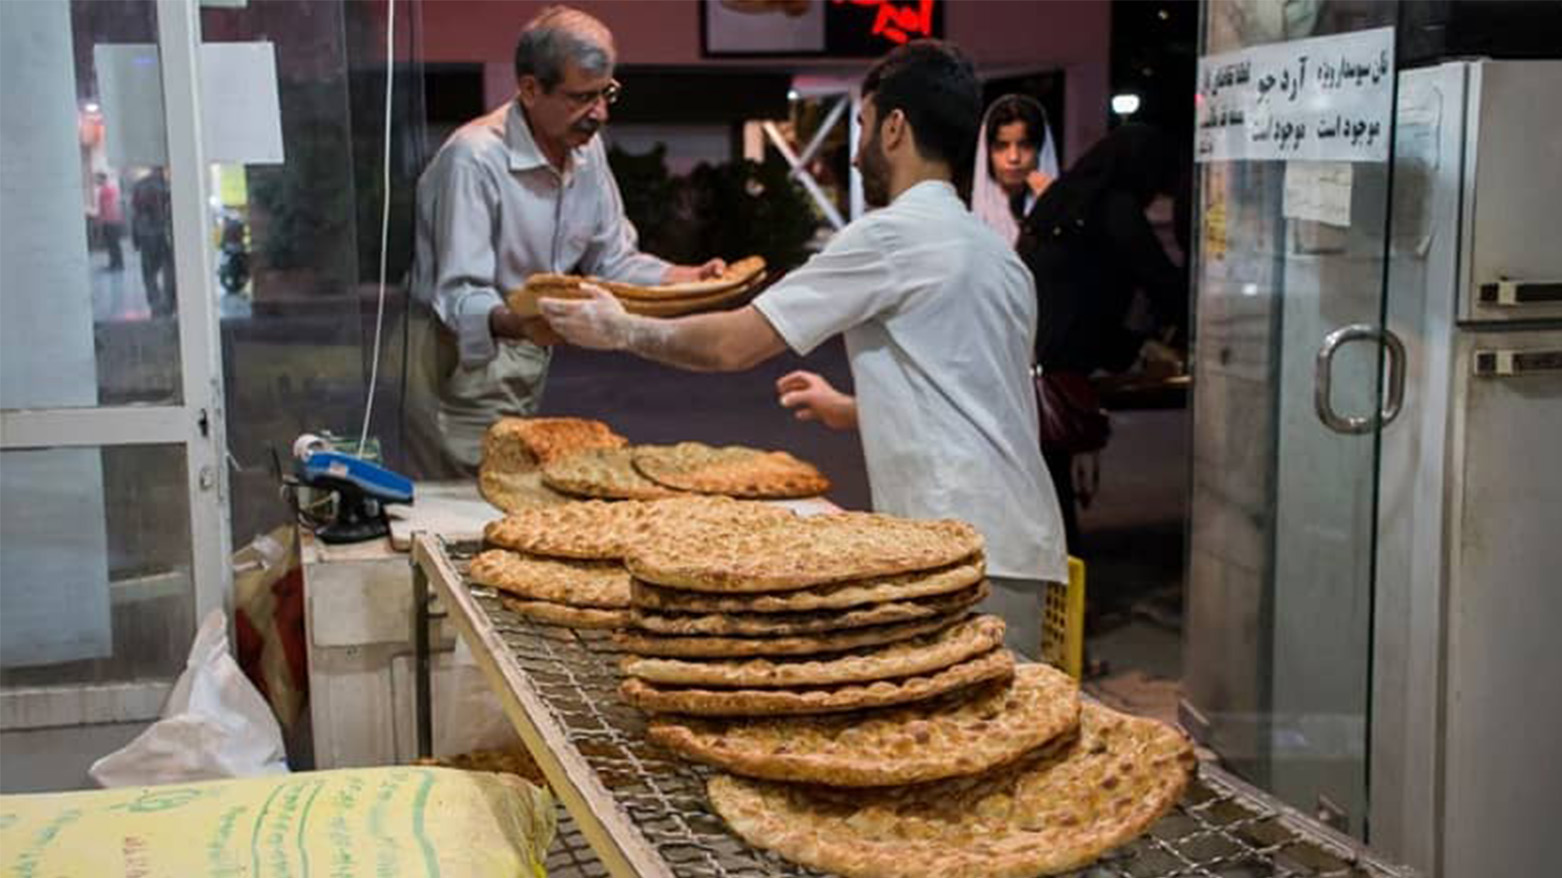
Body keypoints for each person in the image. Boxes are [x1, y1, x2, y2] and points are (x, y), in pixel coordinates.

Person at [539, 40, 1067, 660]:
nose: (859, 146)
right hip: (1023, 546)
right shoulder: (996, 256)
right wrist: (851, 407)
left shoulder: (892, 236)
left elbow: (735, 343)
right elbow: (975, 390)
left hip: (956, 548)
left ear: (895, 128)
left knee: (953, 740)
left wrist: (622, 328)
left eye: (864, 126)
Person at [406, 5, 724, 478]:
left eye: (607, 94)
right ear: (531, 89)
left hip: (526, 346)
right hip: (460, 361)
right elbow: (458, 296)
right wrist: (530, 322)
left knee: (513, 494)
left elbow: (612, 258)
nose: (598, 114)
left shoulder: (585, 149)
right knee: (469, 505)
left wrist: (687, 279)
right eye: (581, 98)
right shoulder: (474, 160)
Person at [1015, 123, 1186, 554]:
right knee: (1053, 491)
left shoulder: (1059, 198)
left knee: (1046, 488)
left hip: (1026, 353)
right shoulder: (1115, 207)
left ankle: (1055, 581)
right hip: (1061, 363)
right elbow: (1162, 281)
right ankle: (1062, 586)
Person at [971, 93, 1059, 248]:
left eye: (1025, 145)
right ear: (986, 152)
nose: (1013, 158)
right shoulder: (965, 212)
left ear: (1040, 150)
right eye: (1001, 146)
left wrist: (1052, 207)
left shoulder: (1066, 210)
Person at [131, 167, 175, 316]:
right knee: (168, 269)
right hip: (164, 234)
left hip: (146, 234)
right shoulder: (168, 186)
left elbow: (135, 214)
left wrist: (135, 237)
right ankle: (169, 303)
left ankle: (155, 304)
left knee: (149, 272)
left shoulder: (139, 185)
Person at [95, 172, 125, 272]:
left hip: (110, 221)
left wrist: (102, 220)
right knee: (113, 244)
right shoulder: (110, 188)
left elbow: (108, 207)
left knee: (113, 244)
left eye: (97, 179)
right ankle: (116, 264)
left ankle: (116, 265)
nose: (96, 181)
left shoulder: (106, 190)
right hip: (114, 220)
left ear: (102, 179)